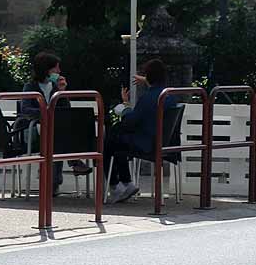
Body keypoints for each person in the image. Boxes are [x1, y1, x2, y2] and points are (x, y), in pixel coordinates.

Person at [104, 59, 179, 204]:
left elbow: (131, 122)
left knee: (109, 142)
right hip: (165, 142)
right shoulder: (169, 95)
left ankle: (116, 185)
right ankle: (126, 183)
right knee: (118, 146)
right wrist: (147, 79)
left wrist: (125, 107)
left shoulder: (147, 98)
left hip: (146, 142)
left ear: (148, 76)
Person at [18, 52, 91, 195]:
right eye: (56, 69)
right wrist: (47, 113)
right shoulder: (30, 86)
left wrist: (62, 92)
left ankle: (53, 183)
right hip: (34, 129)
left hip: (53, 130)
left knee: (57, 136)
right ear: (46, 70)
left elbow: (66, 111)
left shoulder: (55, 87)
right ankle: (74, 163)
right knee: (56, 134)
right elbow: (26, 110)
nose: (59, 72)